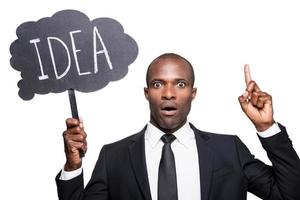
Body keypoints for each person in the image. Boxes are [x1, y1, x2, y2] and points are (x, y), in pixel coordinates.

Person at [56, 53, 300, 200]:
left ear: (193, 93)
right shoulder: (114, 156)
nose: (169, 94)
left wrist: (267, 127)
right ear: (146, 93)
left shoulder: (229, 149)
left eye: (180, 84)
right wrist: (72, 166)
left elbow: (290, 195)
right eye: (158, 84)